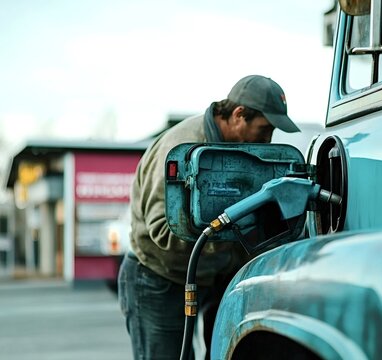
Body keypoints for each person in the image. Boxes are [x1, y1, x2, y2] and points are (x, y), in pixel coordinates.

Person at [118, 75, 300, 360]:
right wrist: (236, 233)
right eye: (264, 129)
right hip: (158, 279)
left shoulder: (243, 153)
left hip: (215, 275)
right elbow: (163, 233)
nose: (269, 140)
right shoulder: (181, 147)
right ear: (239, 115)